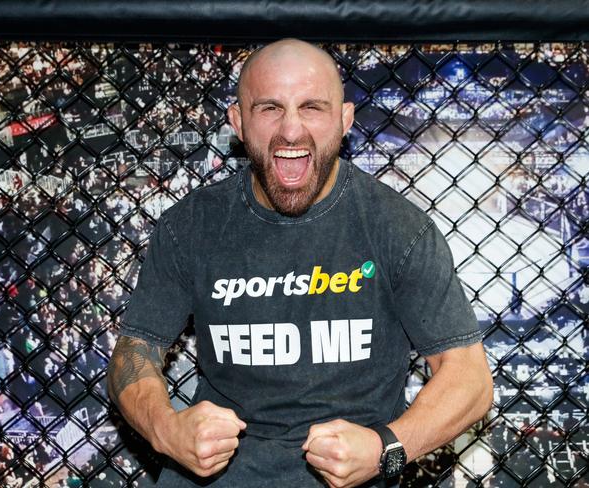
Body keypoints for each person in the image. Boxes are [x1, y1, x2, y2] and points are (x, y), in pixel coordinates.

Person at [108, 38, 494, 488]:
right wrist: (168, 431)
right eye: (269, 108)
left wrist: (385, 448)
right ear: (238, 122)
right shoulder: (191, 226)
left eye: (312, 107)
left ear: (345, 120)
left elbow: (470, 379)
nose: (291, 130)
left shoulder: (397, 227)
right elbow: (133, 353)